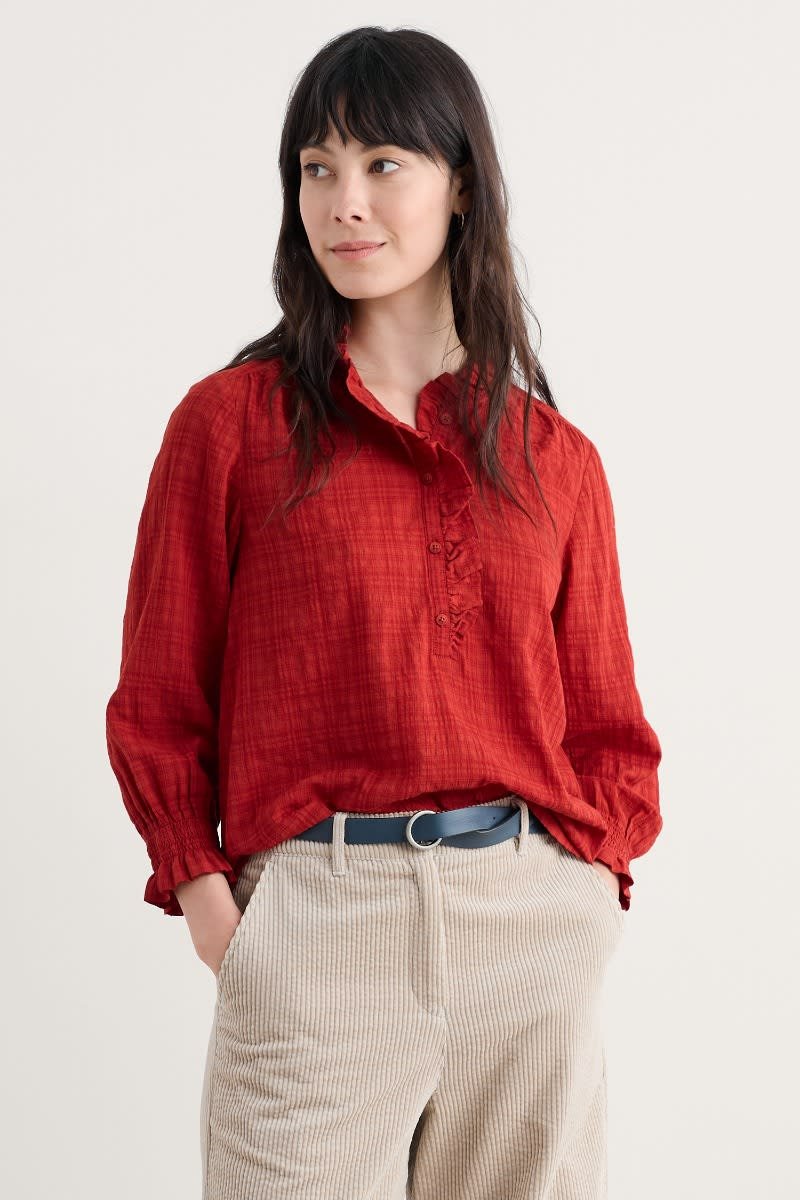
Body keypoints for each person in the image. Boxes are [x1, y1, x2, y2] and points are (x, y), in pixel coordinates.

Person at [105, 25, 663, 1200]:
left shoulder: (555, 461)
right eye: (316, 168)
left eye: (381, 164)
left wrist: (586, 896)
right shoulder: (231, 426)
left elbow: (608, 726)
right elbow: (157, 700)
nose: (342, 202)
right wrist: (215, 910)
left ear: (460, 185)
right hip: (313, 926)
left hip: (525, 930)